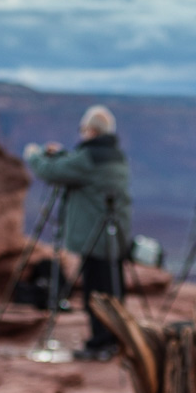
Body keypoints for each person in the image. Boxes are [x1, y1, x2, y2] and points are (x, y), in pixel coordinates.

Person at [23, 106, 133, 361]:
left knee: (95, 293)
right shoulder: (115, 155)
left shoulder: (88, 158)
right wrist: (62, 154)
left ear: (91, 130)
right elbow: (75, 165)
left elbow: (52, 172)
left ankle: (100, 343)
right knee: (113, 290)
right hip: (115, 237)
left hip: (94, 238)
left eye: (83, 130)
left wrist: (34, 154)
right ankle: (117, 338)